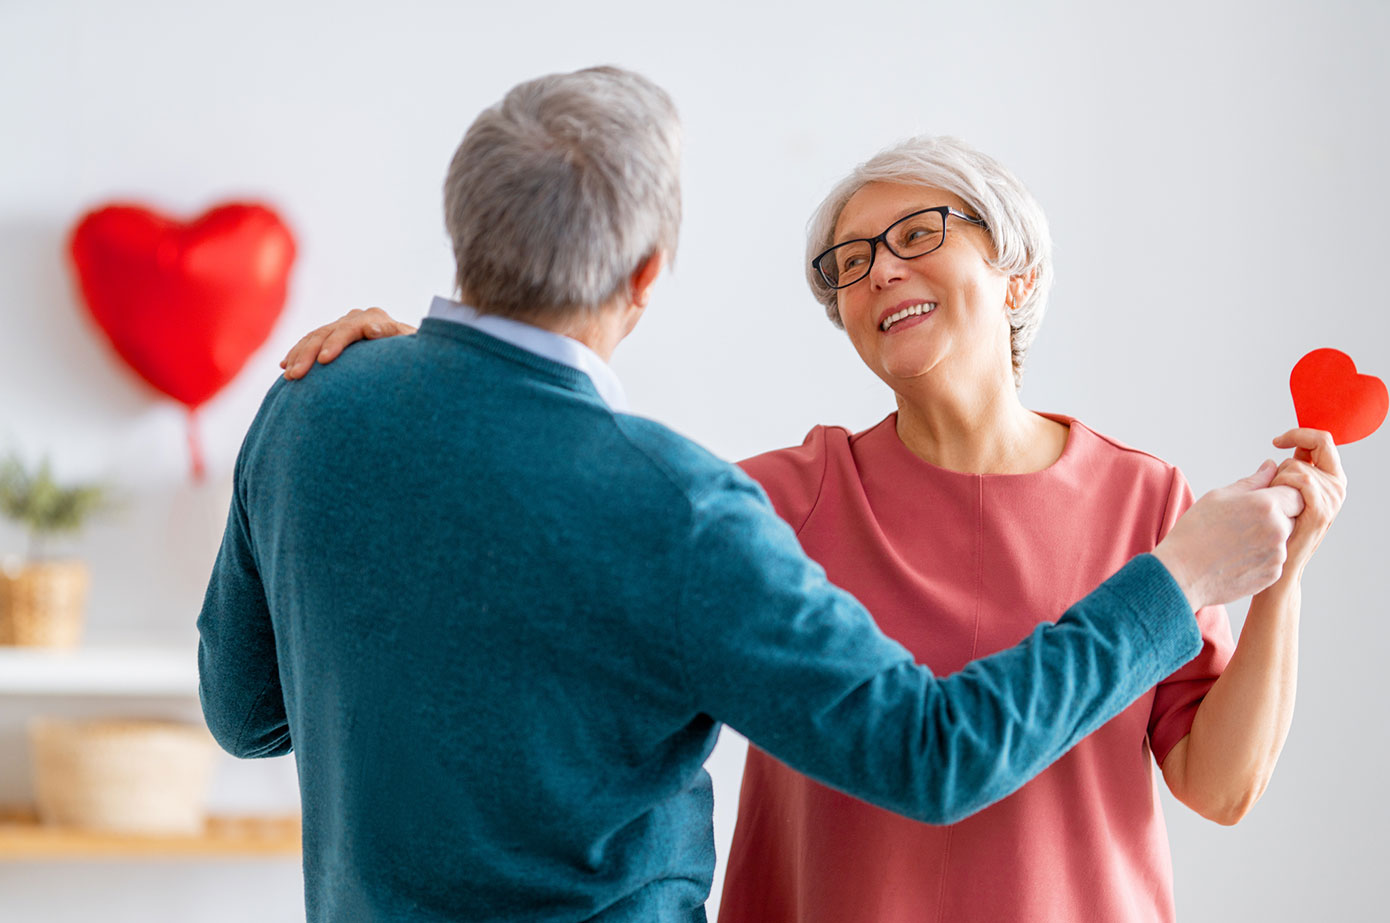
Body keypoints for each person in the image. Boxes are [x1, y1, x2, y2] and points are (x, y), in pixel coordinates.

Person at [235, 67, 1309, 922]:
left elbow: (1217, 785)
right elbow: (548, 532)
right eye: (847, 262)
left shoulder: (1156, 501)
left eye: (918, 234)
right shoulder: (754, 500)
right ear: (649, 274)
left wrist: (1277, 573)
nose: (879, 270)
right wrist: (443, 389)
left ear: (1019, 272)